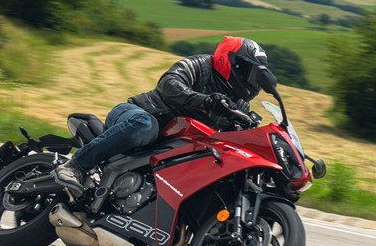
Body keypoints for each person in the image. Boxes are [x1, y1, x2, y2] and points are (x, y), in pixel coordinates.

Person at [55, 37, 270, 195]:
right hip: (136, 115)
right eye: (248, 73)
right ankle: (75, 166)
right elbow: (169, 84)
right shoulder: (201, 66)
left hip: (170, 146)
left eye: (255, 76)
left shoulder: (240, 103)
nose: (251, 81)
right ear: (232, 63)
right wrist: (205, 101)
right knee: (146, 125)